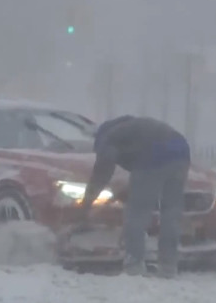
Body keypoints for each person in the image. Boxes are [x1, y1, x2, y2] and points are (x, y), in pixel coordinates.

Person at [78, 115, 191, 278]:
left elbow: (102, 172)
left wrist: (86, 204)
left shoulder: (108, 137)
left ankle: (134, 264)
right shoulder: (131, 127)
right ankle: (169, 265)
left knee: (137, 212)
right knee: (171, 212)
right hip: (181, 150)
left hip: (155, 155)